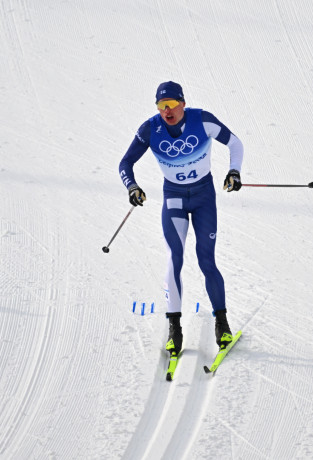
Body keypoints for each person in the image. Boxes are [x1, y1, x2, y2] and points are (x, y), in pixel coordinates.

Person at [118, 81, 244, 355]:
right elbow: (125, 163)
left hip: (203, 197)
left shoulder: (203, 120)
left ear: (183, 104)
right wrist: (132, 186)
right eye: (161, 106)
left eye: (171, 105)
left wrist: (234, 172)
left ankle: (222, 324)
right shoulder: (150, 129)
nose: (166, 111)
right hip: (174, 197)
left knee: (206, 259)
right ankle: (175, 330)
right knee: (175, 258)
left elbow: (235, 143)